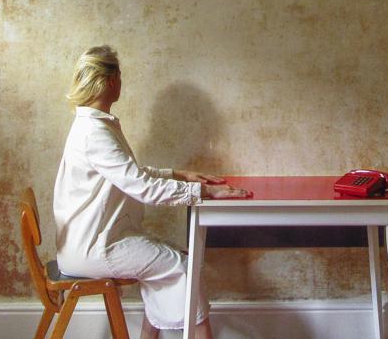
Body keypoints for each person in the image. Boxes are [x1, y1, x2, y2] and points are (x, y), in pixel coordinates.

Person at [53, 45, 251, 339]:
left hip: (95, 241)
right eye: (120, 76)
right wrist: (205, 193)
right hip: (94, 247)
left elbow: (129, 173)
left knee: (175, 257)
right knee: (181, 265)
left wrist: (178, 174)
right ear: (111, 81)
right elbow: (142, 187)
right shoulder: (95, 133)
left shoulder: (93, 125)